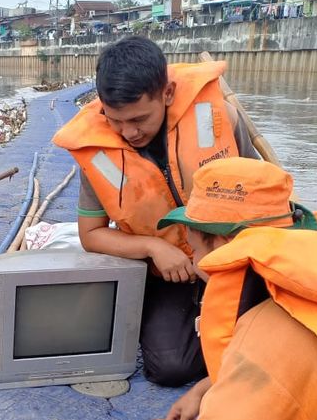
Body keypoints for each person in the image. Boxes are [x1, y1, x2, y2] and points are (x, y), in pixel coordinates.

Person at [109, 157, 317, 420]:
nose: (194, 260)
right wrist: (206, 388)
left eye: (195, 247)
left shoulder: (273, 336)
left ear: (223, 245)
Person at [53, 36, 261, 386]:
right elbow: (91, 236)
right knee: (169, 368)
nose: (128, 132)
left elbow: (261, 202)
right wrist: (153, 248)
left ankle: (245, 335)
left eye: (139, 119)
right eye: (115, 120)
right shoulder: (97, 151)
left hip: (231, 262)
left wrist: (224, 257)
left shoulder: (220, 118)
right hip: (168, 274)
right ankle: (232, 343)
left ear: (167, 93)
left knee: (286, 324)